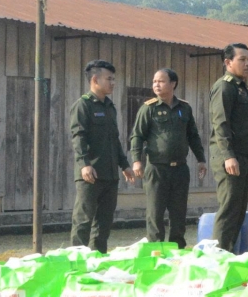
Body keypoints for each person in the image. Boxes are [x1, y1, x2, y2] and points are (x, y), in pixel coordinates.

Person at [130, 68, 206, 249]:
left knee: (178, 213)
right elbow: (137, 136)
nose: (156, 84)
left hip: (180, 169)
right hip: (157, 168)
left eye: (161, 81)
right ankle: (156, 250)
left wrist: (201, 159)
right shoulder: (148, 108)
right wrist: (136, 160)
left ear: (173, 84)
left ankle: (177, 248)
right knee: (155, 213)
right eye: (154, 81)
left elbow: (193, 136)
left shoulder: (184, 108)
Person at [69, 60, 135, 252]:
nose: (113, 82)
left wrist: (124, 165)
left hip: (110, 174)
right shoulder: (83, 105)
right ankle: (77, 260)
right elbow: (78, 137)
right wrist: (84, 164)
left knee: (104, 223)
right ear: (95, 79)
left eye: (114, 79)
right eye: (109, 78)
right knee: (83, 220)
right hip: (90, 174)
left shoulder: (110, 107)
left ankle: (97, 259)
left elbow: (115, 140)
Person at [209, 43, 248, 252]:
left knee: (239, 211)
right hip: (228, 158)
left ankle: (230, 254)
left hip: (242, 157)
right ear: (228, 62)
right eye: (242, 60)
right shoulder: (224, 86)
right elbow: (221, 124)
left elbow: (244, 129)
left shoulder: (241, 88)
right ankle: (218, 257)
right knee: (229, 210)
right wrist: (229, 156)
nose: (247, 64)